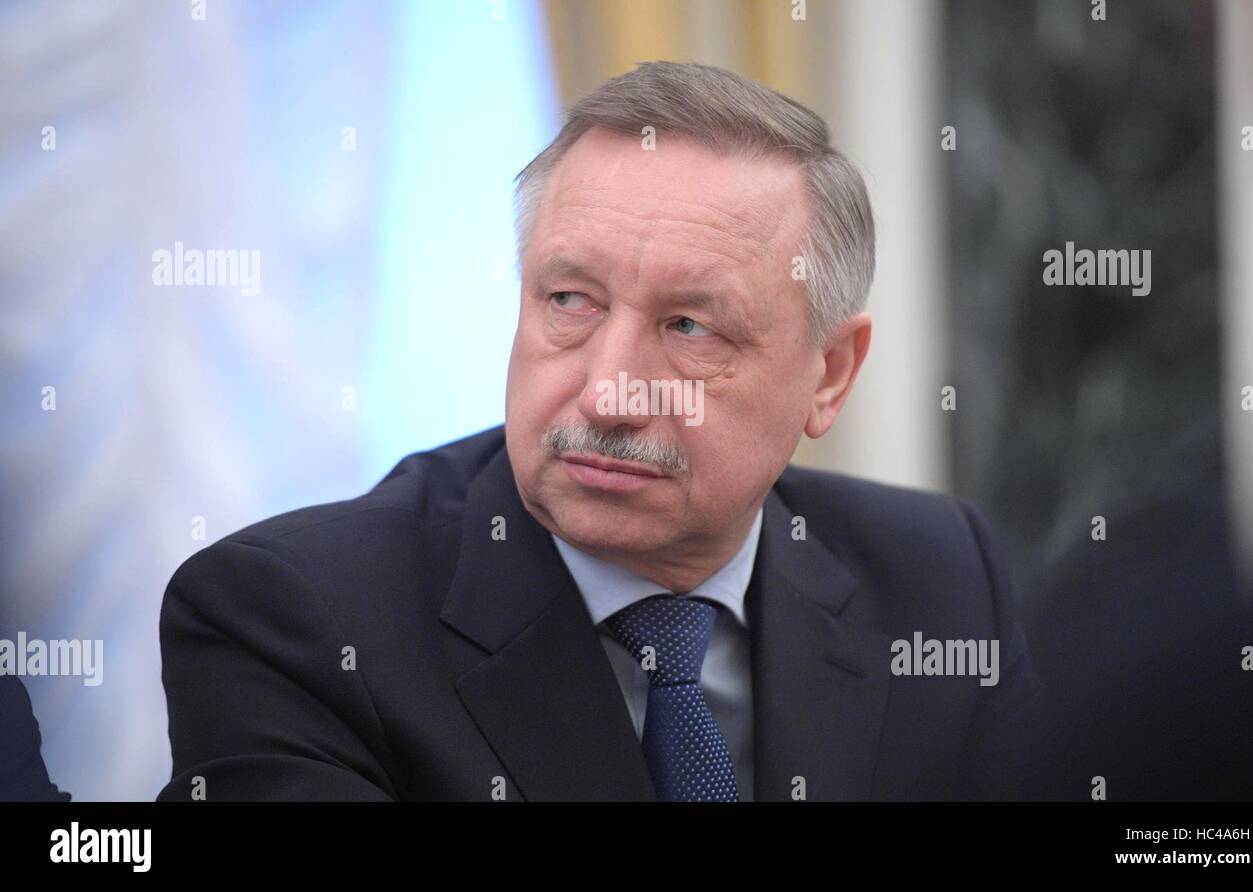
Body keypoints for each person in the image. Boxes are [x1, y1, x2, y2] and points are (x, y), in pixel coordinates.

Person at [158, 61, 1042, 802]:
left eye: (691, 327)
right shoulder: (290, 620)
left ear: (831, 373)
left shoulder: (938, 578)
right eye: (570, 302)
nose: (609, 393)